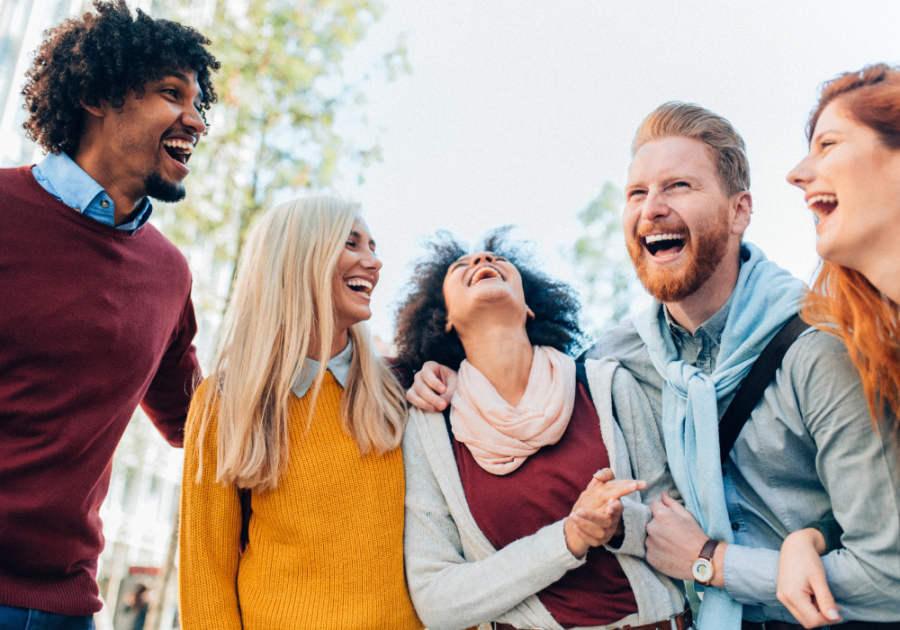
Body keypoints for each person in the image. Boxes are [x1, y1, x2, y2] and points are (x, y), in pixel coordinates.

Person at [408, 103, 900, 629]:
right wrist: (438, 370)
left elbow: (889, 579)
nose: (652, 209)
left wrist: (712, 561)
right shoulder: (616, 363)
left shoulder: (821, 346)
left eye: (679, 186)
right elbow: (529, 388)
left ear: (740, 211)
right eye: (637, 193)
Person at [0, 2, 219, 627]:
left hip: (66, 605)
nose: (195, 120)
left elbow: (197, 421)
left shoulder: (169, 273)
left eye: (198, 104)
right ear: (98, 95)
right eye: (170, 93)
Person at [395, 230, 691, 630]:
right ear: (443, 318)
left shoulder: (606, 387)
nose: (482, 261)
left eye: (497, 261)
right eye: (461, 266)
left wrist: (618, 525)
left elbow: (676, 522)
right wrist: (567, 539)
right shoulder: (430, 428)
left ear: (531, 307)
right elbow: (436, 602)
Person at [179, 197, 423, 630]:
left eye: (373, 246)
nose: (374, 262)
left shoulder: (405, 390)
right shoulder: (224, 400)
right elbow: (206, 575)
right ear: (299, 258)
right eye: (352, 244)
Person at [776, 63, 900, 628]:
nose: (799, 174)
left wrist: (718, 564)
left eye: (828, 144)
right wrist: (814, 535)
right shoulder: (875, 350)